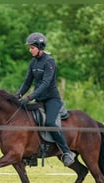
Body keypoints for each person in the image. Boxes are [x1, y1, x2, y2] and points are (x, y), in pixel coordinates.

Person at [16, 32, 75, 167]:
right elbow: (27, 82)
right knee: (29, 120)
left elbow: (45, 84)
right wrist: (17, 96)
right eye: (29, 48)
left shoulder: (49, 62)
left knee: (50, 122)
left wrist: (30, 97)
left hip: (52, 100)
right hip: (39, 100)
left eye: (32, 47)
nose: (30, 50)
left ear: (39, 46)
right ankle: (32, 155)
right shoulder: (33, 62)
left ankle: (66, 152)